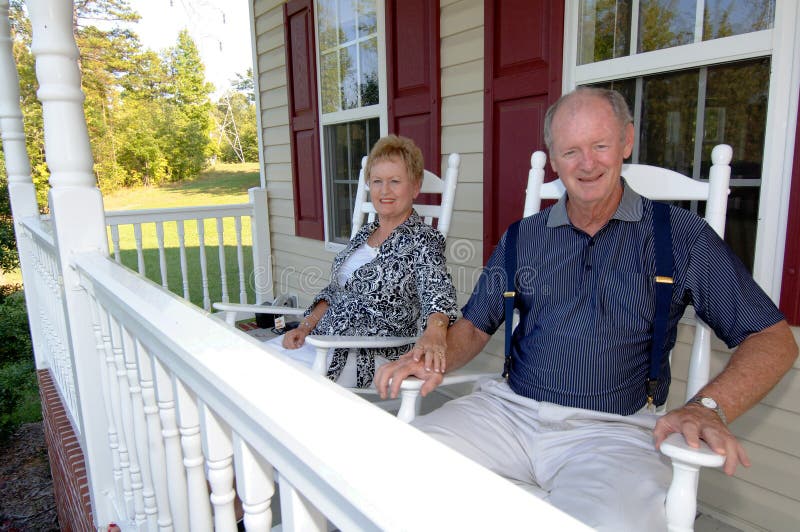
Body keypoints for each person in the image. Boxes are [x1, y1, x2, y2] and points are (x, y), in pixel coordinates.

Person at [374, 88, 798, 530]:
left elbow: (772, 338)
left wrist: (708, 406)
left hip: (612, 434)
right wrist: (431, 356)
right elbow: (476, 327)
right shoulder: (524, 237)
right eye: (571, 151)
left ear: (626, 142)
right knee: (394, 472)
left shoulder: (680, 237)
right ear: (554, 160)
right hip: (506, 415)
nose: (587, 163)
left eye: (600, 145)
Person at [268, 134, 458, 388]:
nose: (384, 190)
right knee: (254, 363)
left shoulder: (424, 240)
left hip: (366, 354)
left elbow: (437, 289)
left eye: (395, 181)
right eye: (377, 181)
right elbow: (335, 290)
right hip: (321, 340)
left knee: (274, 384)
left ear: (415, 186)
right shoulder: (363, 235)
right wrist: (304, 327)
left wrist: (436, 330)